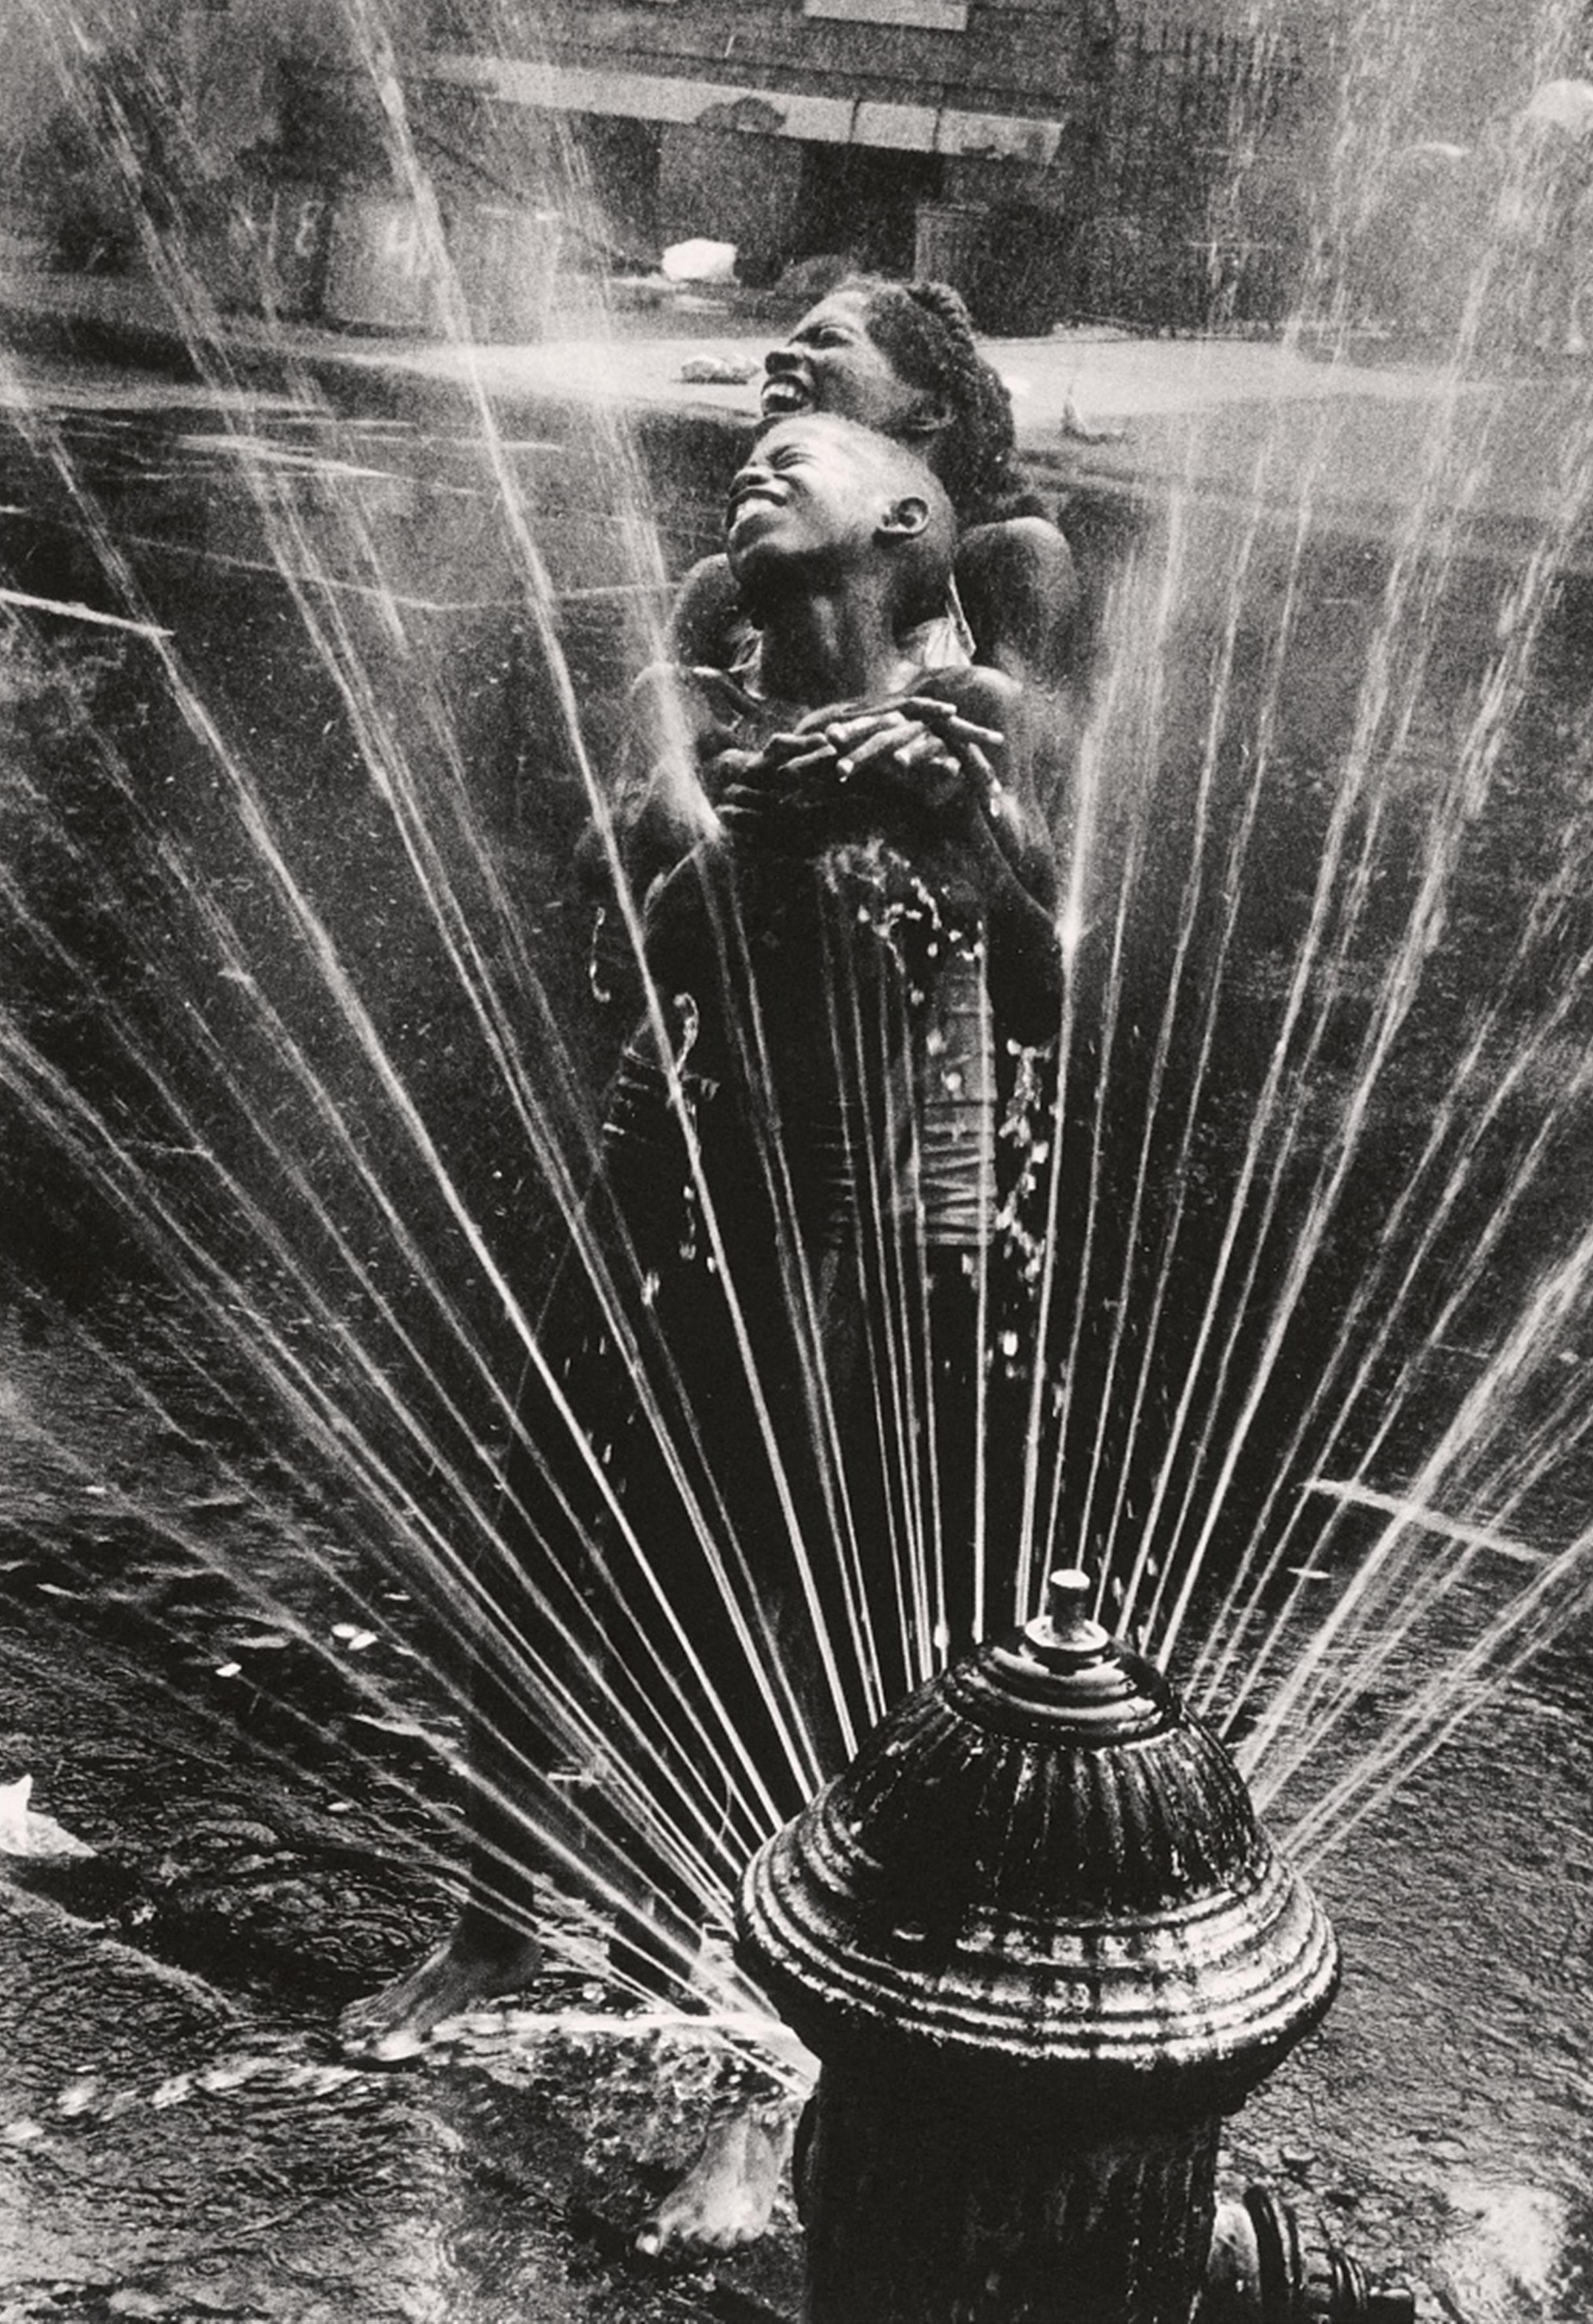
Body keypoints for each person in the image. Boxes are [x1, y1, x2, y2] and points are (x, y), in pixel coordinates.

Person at [341, 416, 1061, 2176]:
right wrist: (751, 825)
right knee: (541, 1527)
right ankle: (505, 1913)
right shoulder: (718, 680)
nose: (757, 452)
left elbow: (1034, 974)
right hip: (676, 1179)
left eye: (801, 441)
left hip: (861, 1235)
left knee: (786, 1579)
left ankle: (750, 1994)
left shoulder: (961, 711)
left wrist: (952, 822)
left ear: (909, 513)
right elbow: (635, 913)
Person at [673, 277, 1083, 813]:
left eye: (826, 339)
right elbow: (631, 805)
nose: (780, 355)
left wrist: (942, 751)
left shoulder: (1005, 560)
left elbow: (1034, 773)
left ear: (927, 409)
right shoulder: (725, 582)